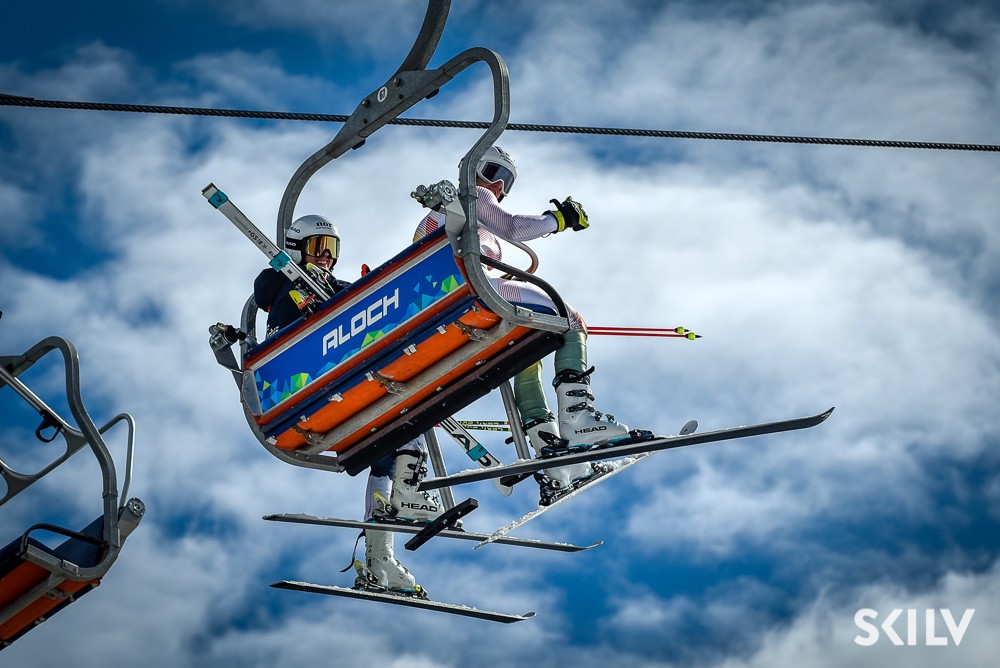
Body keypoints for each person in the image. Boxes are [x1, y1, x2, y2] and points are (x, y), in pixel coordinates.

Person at [414, 145, 632, 503]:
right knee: (571, 319)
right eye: (494, 174)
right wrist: (557, 219)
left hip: (444, 303)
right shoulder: (472, 194)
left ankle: (550, 449)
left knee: (526, 349)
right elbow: (512, 227)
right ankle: (578, 417)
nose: (498, 187)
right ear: (474, 169)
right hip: (474, 289)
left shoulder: (434, 217)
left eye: (507, 181)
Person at [254, 215, 438, 596]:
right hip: (305, 382)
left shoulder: (330, 287)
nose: (326, 256)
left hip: (338, 386)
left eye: (331, 249)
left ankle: (379, 555)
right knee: (407, 408)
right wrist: (298, 280)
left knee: (391, 445)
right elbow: (266, 290)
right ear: (296, 249)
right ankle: (408, 492)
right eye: (317, 247)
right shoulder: (284, 285)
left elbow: (361, 297)